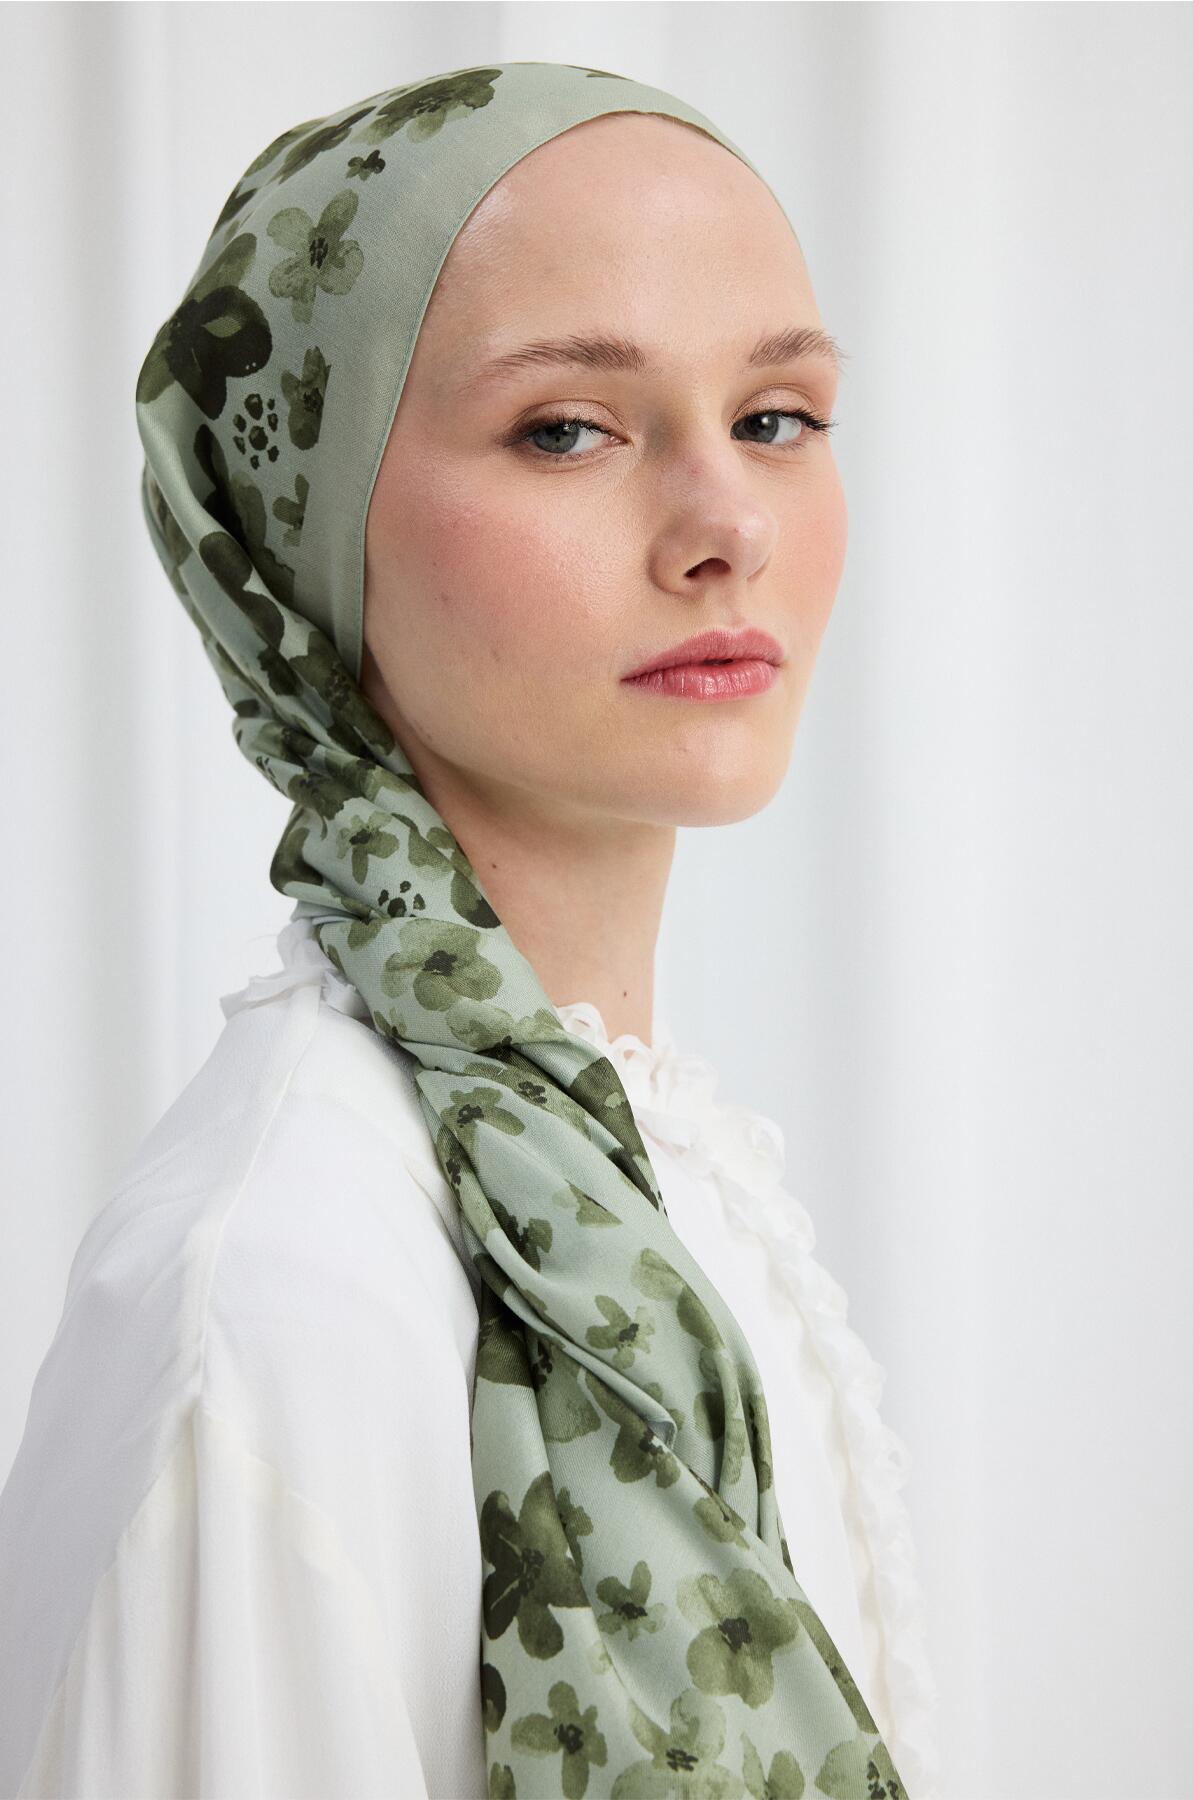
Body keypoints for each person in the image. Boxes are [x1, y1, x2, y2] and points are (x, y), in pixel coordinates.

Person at [0, 62, 940, 1800]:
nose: (728, 527)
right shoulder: (275, 1304)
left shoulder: (654, 1174)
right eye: (567, 429)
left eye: (776, 416)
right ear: (299, 531)